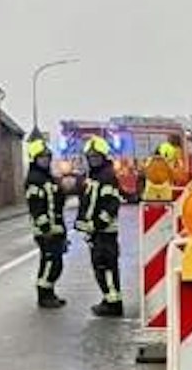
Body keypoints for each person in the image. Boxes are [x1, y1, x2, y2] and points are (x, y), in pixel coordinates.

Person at [76, 136, 125, 317]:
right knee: (101, 267)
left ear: (104, 157)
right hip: (97, 232)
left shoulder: (107, 176)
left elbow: (111, 204)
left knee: (106, 267)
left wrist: (97, 224)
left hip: (104, 232)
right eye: (91, 157)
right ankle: (109, 298)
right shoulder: (94, 176)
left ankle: (113, 304)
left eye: (97, 157)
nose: (93, 160)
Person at [24, 138, 68, 309]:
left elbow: (57, 202)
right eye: (42, 157)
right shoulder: (34, 179)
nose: (46, 160)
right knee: (51, 262)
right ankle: (44, 296)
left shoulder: (46, 178)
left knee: (54, 262)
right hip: (46, 232)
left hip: (55, 229)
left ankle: (49, 293)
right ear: (34, 159)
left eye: (47, 157)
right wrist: (45, 229)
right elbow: (36, 208)